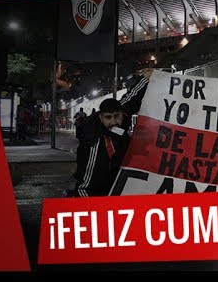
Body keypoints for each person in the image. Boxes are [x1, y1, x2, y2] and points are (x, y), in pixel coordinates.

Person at [64, 69, 152, 197]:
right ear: (101, 118)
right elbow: (86, 185)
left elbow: (132, 97)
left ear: (122, 114)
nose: (113, 122)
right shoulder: (95, 143)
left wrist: (146, 79)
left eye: (117, 116)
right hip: (96, 193)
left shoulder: (123, 113)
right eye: (108, 117)